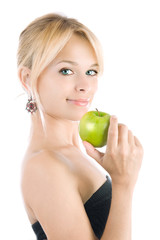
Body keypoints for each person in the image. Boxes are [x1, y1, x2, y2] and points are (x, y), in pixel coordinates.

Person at [17, 13, 144, 240]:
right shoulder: (43, 165)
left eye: (91, 72)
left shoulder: (76, 150)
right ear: (28, 79)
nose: (85, 85)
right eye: (66, 71)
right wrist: (123, 184)